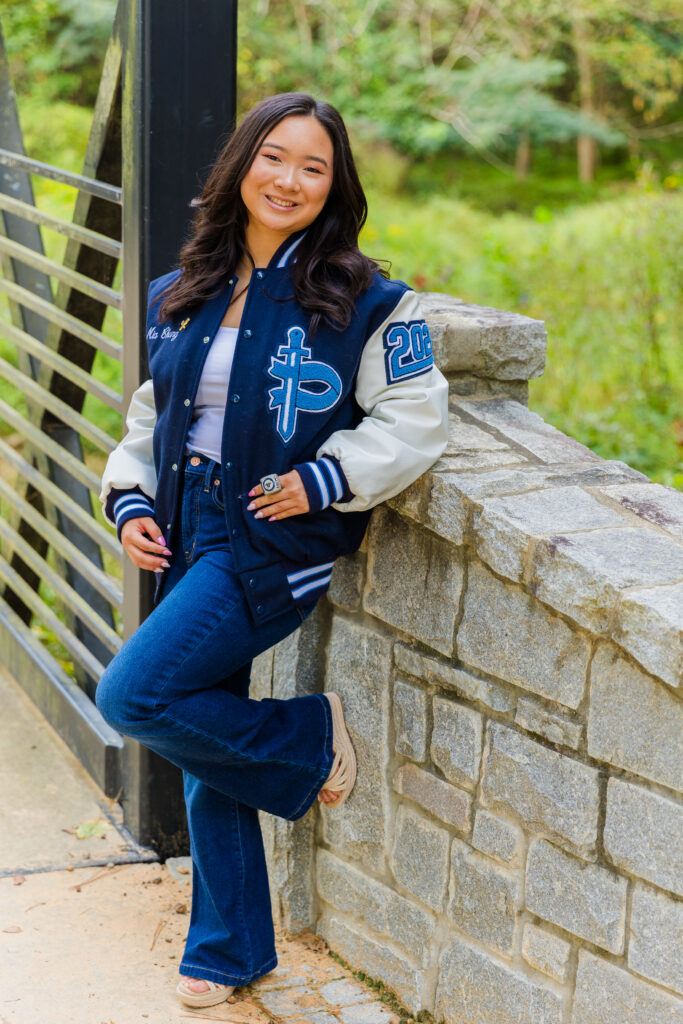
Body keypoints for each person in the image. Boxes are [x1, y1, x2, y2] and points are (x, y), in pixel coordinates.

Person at [96, 92, 449, 1009]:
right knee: (202, 726)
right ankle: (228, 952)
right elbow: (155, 413)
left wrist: (327, 477)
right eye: (274, 158)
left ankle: (306, 738)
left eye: (313, 166)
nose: (288, 179)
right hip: (185, 525)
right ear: (242, 165)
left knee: (135, 694)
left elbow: (417, 418)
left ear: (334, 186)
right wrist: (129, 494)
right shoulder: (182, 290)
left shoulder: (367, 300)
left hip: (265, 539)